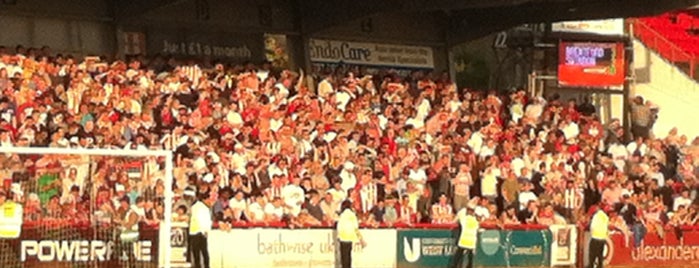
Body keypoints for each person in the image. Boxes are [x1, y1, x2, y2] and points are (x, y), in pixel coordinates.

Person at [336, 200, 366, 268]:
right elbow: (356, 228)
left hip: (342, 237)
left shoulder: (342, 215)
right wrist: (361, 239)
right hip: (350, 237)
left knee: (344, 257)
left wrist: (338, 236)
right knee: (348, 256)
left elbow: (339, 227)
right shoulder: (352, 215)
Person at [189, 191, 215, 268]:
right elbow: (202, 220)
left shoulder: (195, 207)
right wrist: (205, 230)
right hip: (200, 232)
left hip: (195, 232)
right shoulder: (201, 208)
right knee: (203, 252)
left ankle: (199, 266)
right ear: (205, 199)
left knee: (197, 253)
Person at [452, 203, 478, 268]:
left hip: (464, 240)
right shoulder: (475, 220)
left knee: (457, 258)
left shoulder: (464, 219)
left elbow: (458, 218)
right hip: (471, 241)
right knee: (470, 259)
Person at [589, 203, 610, 268]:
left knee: (592, 255)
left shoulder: (596, 216)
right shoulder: (606, 217)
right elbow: (606, 227)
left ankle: (591, 266)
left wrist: (591, 233)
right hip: (602, 238)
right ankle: (600, 266)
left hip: (595, 237)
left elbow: (592, 226)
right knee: (600, 255)